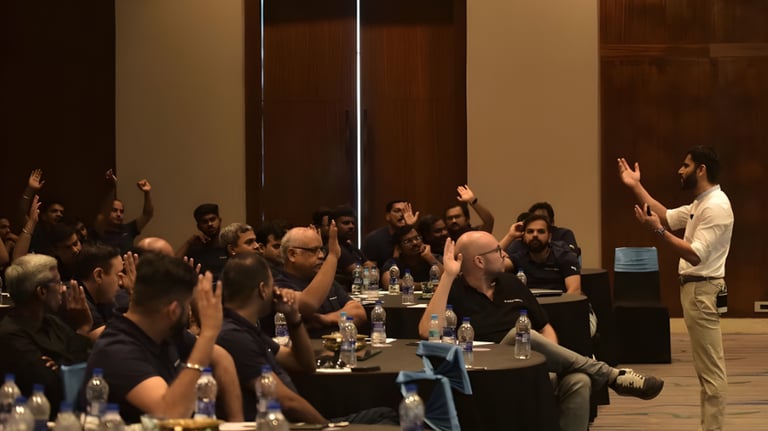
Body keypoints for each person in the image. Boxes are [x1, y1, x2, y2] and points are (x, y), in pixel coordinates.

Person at [419, 232, 664, 431]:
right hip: (488, 374)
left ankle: (604, 375)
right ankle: (610, 375)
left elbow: (545, 327)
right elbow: (426, 330)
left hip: (530, 367)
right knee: (519, 336)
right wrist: (448, 276)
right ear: (479, 261)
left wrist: (550, 365)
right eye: (497, 250)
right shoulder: (455, 290)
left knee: (579, 381)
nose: (504, 254)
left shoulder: (511, 283)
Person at [618, 146, 733, 431]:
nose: (680, 171)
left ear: (701, 169)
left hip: (703, 292)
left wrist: (657, 231)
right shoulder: (701, 203)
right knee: (707, 371)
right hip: (697, 292)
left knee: (711, 373)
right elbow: (667, 216)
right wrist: (635, 186)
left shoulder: (715, 206)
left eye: (685, 165)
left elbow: (695, 255)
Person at [216, 254, 397, 425]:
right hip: (285, 426)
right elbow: (288, 402)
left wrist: (293, 318)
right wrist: (326, 427)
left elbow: (305, 364)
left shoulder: (245, 329)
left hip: (293, 423)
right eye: (272, 286)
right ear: (263, 290)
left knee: (386, 414)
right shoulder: (234, 337)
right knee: (387, 419)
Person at [78, 253, 243, 423]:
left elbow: (221, 358)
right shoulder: (116, 350)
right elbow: (170, 413)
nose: (189, 312)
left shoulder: (163, 331)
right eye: (187, 306)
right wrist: (208, 334)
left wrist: (237, 422)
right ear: (174, 311)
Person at [0, 254, 92, 418]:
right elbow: (52, 390)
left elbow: (90, 367)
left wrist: (59, 366)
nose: (63, 289)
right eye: (58, 283)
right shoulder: (10, 336)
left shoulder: (52, 322)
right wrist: (83, 330)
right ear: (42, 292)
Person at [272, 224, 366, 337]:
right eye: (314, 250)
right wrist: (333, 255)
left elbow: (359, 313)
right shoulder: (280, 286)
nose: (321, 255)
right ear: (292, 254)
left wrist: (326, 319)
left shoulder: (326, 281)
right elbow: (308, 304)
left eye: (321, 250)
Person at [505, 214, 581, 295]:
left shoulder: (564, 257)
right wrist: (510, 236)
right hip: (528, 302)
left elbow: (574, 291)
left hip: (558, 301)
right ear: (523, 237)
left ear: (549, 237)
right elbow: (495, 266)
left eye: (541, 231)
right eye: (530, 231)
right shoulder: (519, 257)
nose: (535, 235)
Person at [92, 170, 154, 254]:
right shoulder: (100, 229)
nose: (119, 214)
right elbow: (104, 211)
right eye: (114, 210)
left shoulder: (129, 229)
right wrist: (112, 187)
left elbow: (147, 214)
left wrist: (147, 192)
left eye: (121, 211)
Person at [175, 204, 229, 279]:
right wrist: (189, 243)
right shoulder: (194, 248)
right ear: (199, 226)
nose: (210, 224)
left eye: (212, 219)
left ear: (219, 221)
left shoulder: (229, 246)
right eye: (205, 222)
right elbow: (172, 266)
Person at [361, 200, 419, 270]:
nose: (402, 214)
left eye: (405, 211)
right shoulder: (374, 239)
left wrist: (411, 226)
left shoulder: (416, 237)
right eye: (397, 211)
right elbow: (370, 272)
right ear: (387, 216)